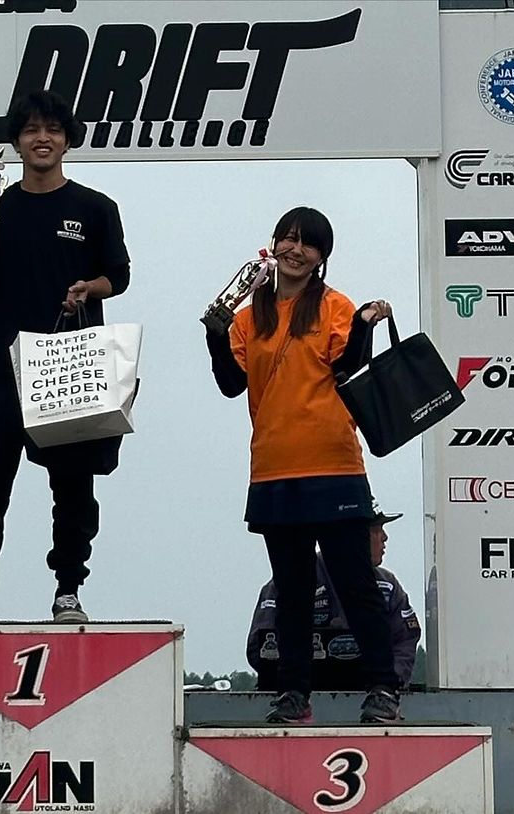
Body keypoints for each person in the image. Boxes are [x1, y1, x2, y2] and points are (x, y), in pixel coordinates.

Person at [205, 206, 402, 723]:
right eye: (287, 239)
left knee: (355, 583)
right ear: (273, 246)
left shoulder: (336, 306)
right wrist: (214, 336)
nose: (295, 250)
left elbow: (349, 367)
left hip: (334, 464)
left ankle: (383, 688)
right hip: (273, 468)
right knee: (291, 590)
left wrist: (362, 326)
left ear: (321, 257)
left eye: (307, 243)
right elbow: (230, 384)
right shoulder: (249, 316)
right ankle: (293, 695)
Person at [0, 90, 131, 624]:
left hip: (68, 365)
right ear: (17, 141)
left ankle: (68, 590)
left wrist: (88, 287)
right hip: (0, 367)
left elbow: (118, 276)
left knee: (73, 486)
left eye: (52, 129)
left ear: (68, 139)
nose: (42, 138)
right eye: (31, 130)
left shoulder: (95, 208)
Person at [247, 501, 422, 690]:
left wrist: (387, 684)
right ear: (353, 536)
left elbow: (406, 639)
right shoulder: (290, 581)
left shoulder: (388, 586)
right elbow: (259, 645)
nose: (385, 537)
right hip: (299, 696)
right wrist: (294, 682)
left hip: (370, 696)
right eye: (375, 530)